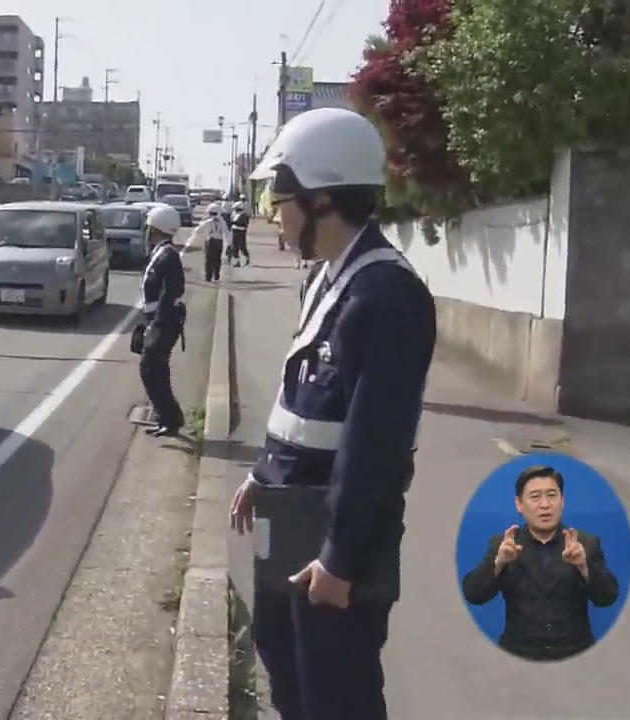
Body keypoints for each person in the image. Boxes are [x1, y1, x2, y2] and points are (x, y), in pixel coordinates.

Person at [228, 107, 437, 720]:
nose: (272, 211)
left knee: (337, 695)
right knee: (284, 664)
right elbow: (305, 405)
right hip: (290, 515)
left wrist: (342, 558)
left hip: (336, 540)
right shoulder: (324, 279)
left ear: (322, 200)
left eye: (281, 195)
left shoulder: (387, 295)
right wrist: (263, 474)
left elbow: (376, 443)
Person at [461, 465, 620, 662]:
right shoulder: (503, 544)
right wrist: (498, 563)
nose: (545, 505)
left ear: (562, 501)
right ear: (519, 504)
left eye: (552, 495)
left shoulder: (585, 543)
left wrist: (584, 567)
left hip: (574, 654)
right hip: (518, 654)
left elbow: (607, 597)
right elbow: (473, 594)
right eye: (535, 497)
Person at [138, 204, 187, 438]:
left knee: (151, 369)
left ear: (157, 229)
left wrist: (156, 325)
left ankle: (171, 418)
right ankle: (166, 418)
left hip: (164, 323)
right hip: (157, 321)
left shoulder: (169, 256)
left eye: (149, 228)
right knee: (154, 370)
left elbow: (172, 291)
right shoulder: (161, 252)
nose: (147, 232)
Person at [189, 201, 229, 282]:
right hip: (219, 241)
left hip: (210, 241)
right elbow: (227, 233)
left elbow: (198, 230)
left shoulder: (208, 222)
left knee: (209, 260)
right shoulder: (222, 222)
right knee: (217, 259)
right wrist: (229, 244)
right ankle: (216, 274)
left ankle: (208, 276)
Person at [228, 200, 252, 266]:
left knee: (242, 246)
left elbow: (243, 224)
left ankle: (246, 257)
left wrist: (235, 223)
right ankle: (237, 261)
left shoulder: (243, 215)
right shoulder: (234, 214)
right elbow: (231, 221)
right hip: (234, 231)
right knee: (234, 246)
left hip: (241, 232)